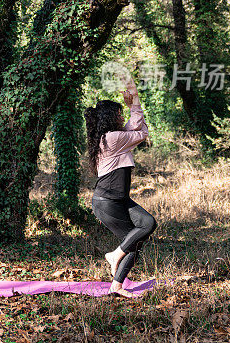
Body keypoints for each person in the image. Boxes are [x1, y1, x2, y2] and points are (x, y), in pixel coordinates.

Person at [84, 74, 157, 298]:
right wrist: (133, 101)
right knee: (136, 239)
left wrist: (134, 100)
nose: (121, 115)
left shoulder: (109, 137)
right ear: (110, 118)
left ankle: (116, 270)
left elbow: (134, 127)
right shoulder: (112, 138)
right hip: (108, 202)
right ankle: (116, 267)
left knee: (146, 224)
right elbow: (141, 133)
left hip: (118, 199)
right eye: (118, 113)